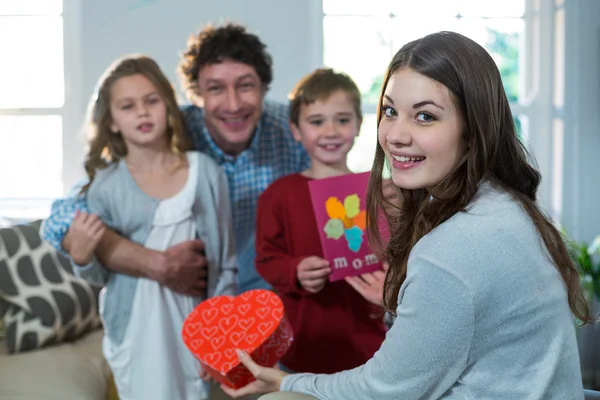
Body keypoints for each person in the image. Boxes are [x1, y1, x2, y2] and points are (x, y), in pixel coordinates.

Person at [220, 31, 591, 400]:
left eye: (425, 116)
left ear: (474, 130)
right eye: (390, 111)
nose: (396, 135)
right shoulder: (507, 205)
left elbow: (383, 389)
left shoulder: (451, 248)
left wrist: (287, 383)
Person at [40, 22, 309, 296]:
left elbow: (336, 195)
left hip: (276, 292)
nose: (233, 104)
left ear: (264, 88)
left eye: (246, 86)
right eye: (216, 89)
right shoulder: (168, 132)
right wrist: (156, 264)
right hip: (192, 300)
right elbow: (62, 218)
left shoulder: (294, 128)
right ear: (197, 94)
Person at [66, 54, 237, 400]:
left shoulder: (205, 172)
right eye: (127, 106)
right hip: (133, 328)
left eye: (151, 101)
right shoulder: (105, 186)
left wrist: (219, 335)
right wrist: (82, 259)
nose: (142, 112)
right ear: (112, 121)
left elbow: (224, 264)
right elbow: (99, 276)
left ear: (168, 106)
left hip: (192, 322)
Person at [254, 68, 387, 374]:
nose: (330, 131)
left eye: (342, 120)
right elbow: (266, 259)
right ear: (296, 130)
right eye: (316, 122)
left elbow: (396, 256)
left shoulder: (380, 193)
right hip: (301, 349)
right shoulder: (278, 195)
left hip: (369, 350)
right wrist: (295, 270)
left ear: (358, 125)